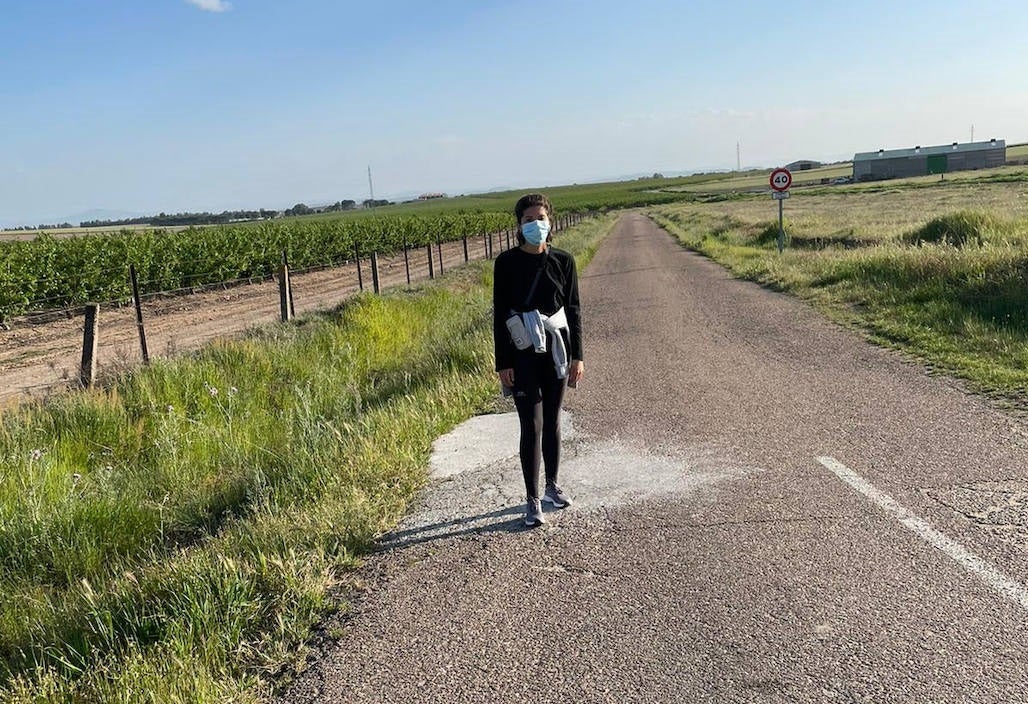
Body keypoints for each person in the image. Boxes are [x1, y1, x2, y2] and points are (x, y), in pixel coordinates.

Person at [493, 193, 584, 527]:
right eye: (528, 220)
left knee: (553, 421)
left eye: (540, 218)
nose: (536, 225)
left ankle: (552, 487)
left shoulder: (564, 261)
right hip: (522, 351)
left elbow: (573, 310)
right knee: (530, 424)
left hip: (557, 349)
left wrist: (578, 356)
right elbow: (500, 313)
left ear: (551, 221)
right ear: (519, 226)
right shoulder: (506, 263)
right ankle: (532, 499)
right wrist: (503, 362)